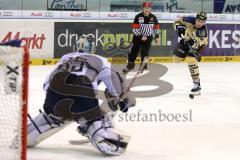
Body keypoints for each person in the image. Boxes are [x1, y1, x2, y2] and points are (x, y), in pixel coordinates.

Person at [27, 38, 136, 155]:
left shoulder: (65, 58)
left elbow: (47, 82)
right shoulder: (100, 60)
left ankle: (33, 129)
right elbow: (114, 79)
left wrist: (55, 101)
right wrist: (123, 99)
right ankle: (92, 127)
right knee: (111, 140)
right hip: (81, 93)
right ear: (93, 48)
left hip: (54, 95)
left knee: (52, 115)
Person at [173, 11, 208, 94]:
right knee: (175, 59)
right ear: (195, 19)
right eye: (198, 21)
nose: (200, 23)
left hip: (198, 46)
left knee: (190, 60)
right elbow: (176, 22)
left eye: (202, 22)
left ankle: (197, 84)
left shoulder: (203, 30)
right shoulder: (189, 20)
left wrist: (193, 42)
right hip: (185, 42)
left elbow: (201, 42)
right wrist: (179, 28)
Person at [122, 1, 160, 74]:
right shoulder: (138, 16)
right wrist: (141, 36)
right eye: (145, 7)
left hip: (148, 38)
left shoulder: (153, 17)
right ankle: (129, 67)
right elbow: (135, 29)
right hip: (137, 37)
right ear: (142, 8)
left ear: (150, 9)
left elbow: (156, 29)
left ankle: (142, 68)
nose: (147, 9)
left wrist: (157, 37)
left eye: (148, 8)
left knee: (144, 53)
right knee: (132, 52)